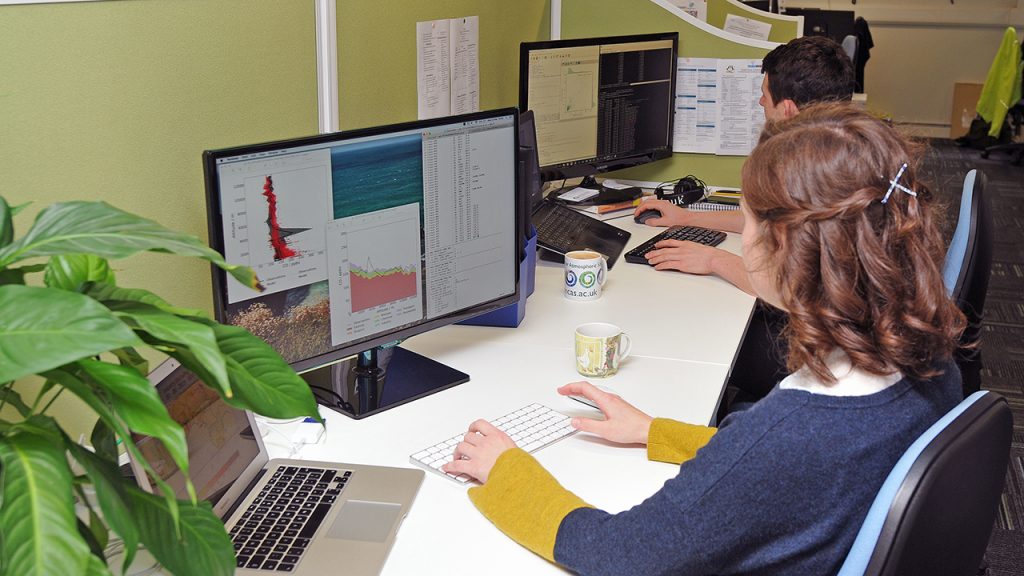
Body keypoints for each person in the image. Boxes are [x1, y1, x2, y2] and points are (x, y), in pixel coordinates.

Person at [442, 103, 967, 574]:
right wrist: (655, 432)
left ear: (788, 248)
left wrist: (508, 472)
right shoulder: (927, 353)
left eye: (750, 221)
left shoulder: (792, 429)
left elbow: (622, 556)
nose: (744, 234)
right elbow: (787, 467)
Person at [635, 36, 856, 405]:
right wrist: (689, 216)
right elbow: (771, 224)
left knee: (700, 332)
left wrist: (714, 260)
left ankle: (701, 422)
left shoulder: (810, 177)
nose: (758, 102)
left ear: (787, 110)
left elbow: (790, 290)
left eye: (764, 95)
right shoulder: (845, 155)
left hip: (818, 355)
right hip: (850, 343)